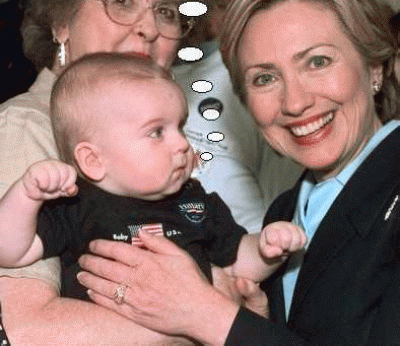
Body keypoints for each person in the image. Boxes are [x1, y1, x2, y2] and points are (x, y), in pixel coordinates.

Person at [77, 0, 400, 346]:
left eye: (318, 62)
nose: (295, 102)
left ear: (374, 65)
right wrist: (256, 319)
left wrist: (208, 315)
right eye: (264, 78)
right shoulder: (283, 214)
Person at [0, 0, 249, 346]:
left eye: (166, 11)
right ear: (62, 20)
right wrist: (210, 317)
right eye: (122, 1)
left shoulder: (160, 131)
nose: (149, 27)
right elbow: (27, 328)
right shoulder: (28, 127)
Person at [0, 52, 306, 305]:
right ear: (93, 160)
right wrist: (26, 195)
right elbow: (12, 251)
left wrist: (266, 249)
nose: (182, 144)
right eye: (156, 132)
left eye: (180, 127)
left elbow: (238, 260)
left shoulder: (196, 202)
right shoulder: (75, 205)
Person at [173, 0, 302, 232]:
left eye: (219, 4)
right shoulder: (156, 71)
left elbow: (283, 187)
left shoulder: (252, 73)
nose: (206, 15)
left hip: (247, 237)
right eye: (198, 2)